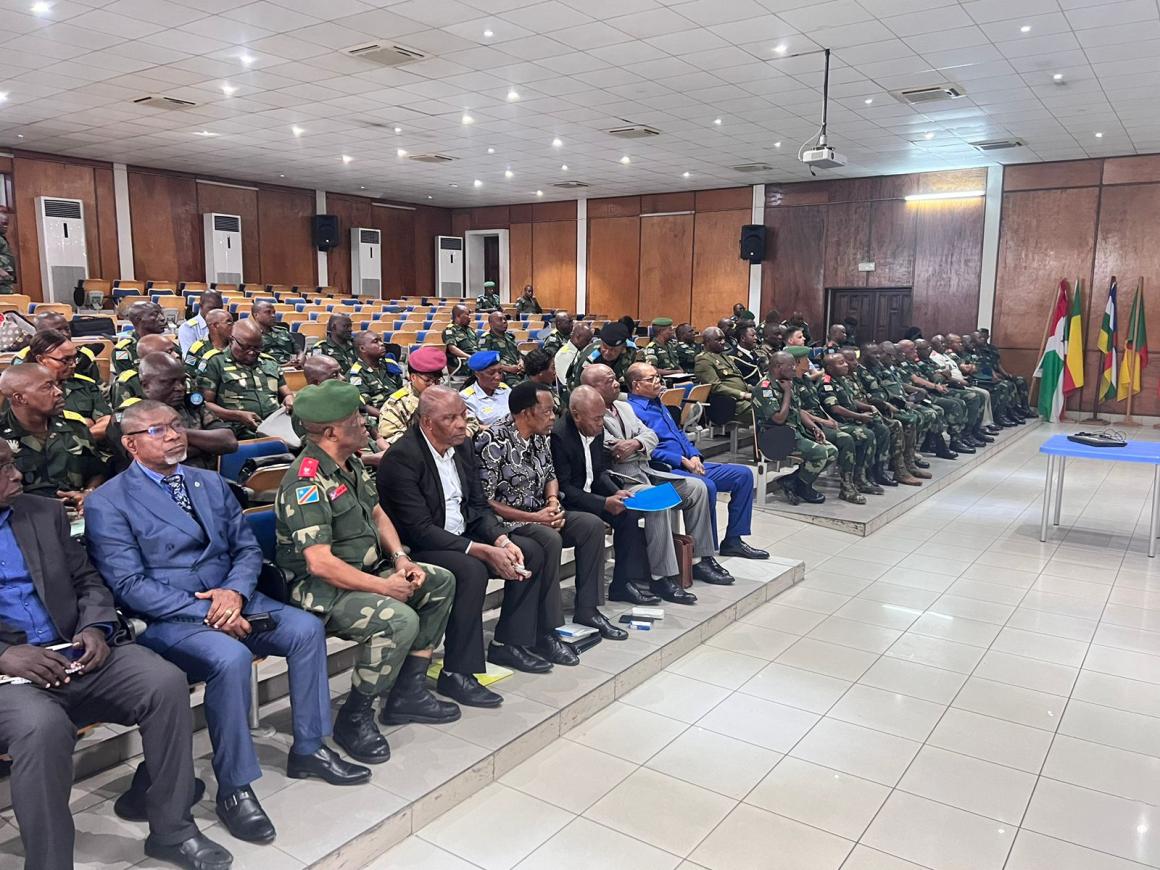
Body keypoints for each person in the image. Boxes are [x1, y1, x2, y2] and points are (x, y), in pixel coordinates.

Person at [86, 400, 369, 844]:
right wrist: (211, 611)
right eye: (158, 430)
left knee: (305, 630)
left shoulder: (209, 482)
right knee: (230, 658)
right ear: (131, 445)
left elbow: (246, 549)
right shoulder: (108, 501)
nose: (174, 434)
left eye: (176, 424)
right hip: (171, 616)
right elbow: (129, 584)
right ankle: (235, 787)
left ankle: (310, 747)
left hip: (235, 597)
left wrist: (234, 594)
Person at [0, 440, 233, 870]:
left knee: (164, 682)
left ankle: (173, 830)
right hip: (10, 676)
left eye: (13, 463)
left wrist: (96, 626)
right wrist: (5, 655)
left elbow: (87, 580)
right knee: (41, 726)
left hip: (74, 649)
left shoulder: (43, 512)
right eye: (3, 467)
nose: (17, 474)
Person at [275, 381, 460, 764]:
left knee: (439, 581)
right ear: (331, 432)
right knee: (398, 619)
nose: (365, 423)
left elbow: (377, 514)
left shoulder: (350, 463)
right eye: (355, 419)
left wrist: (401, 560)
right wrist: (384, 587)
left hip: (368, 570)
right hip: (322, 590)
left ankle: (407, 692)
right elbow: (319, 563)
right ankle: (355, 716)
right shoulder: (305, 482)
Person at [378, 386, 559, 705]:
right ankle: (457, 673)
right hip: (420, 545)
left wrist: (501, 539)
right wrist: (481, 549)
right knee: (471, 570)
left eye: (463, 415)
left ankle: (509, 643)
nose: (462, 424)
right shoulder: (403, 458)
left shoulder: (462, 447)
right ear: (427, 422)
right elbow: (419, 530)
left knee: (529, 551)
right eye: (451, 418)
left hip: (462, 534)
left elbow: (477, 507)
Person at [476, 381, 623, 647]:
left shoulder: (541, 436)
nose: (553, 417)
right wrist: (538, 518)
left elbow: (551, 476)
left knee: (590, 525)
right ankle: (548, 627)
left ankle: (588, 609)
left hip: (541, 511)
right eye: (546, 411)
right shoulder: (493, 440)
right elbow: (486, 501)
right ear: (525, 413)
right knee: (549, 538)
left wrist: (553, 502)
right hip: (508, 521)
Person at [582, 363, 729, 602]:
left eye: (615, 378)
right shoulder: (591, 415)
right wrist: (639, 445)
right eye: (609, 381)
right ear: (592, 387)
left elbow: (650, 435)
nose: (617, 383)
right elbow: (614, 450)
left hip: (646, 471)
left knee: (697, 488)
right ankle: (661, 577)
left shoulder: (624, 406)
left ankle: (700, 560)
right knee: (657, 500)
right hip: (622, 482)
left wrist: (637, 444)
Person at [626, 363, 768, 559]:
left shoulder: (658, 403)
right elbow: (646, 449)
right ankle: (706, 553)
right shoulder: (631, 411)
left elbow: (679, 434)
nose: (658, 381)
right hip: (666, 469)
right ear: (636, 385)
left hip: (689, 463)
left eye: (658, 377)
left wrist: (694, 455)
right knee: (706, 486)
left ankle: (734, 540)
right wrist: (681, 460)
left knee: (743, 475)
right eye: (651, 379)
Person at [550, 386, 658, 606]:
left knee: (628, 513)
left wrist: (614, 491)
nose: (601, 424)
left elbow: (599, 472)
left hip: (591, 495)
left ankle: (622, 584)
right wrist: (603, 503)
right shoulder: (559, 436)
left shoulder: (594, 430)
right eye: (597, 419)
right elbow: (565, 487)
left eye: (602, 417)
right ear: (577, 415)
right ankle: (587, 601)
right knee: (593, 525)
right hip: (569, 502)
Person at [0, 365, 107, 513]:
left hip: (77, 514)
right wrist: (44, 507)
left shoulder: (75, 427)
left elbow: (97, 471)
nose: (58, 392)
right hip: (18, 518)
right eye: (47, 387)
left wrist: (88, 493)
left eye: (56, 385)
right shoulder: (2, 434)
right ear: (20, 398)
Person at [107, 352, 237, 473]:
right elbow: (148, 457)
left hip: (203, 481)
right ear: (145, 386)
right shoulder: (128, 416)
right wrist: (207, 447)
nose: (180, 388)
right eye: (169, 382)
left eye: (182, 381)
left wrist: (177, 432)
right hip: (152, 486)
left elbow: (229, 442)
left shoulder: (191, 405)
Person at [754, 349, 837, 505]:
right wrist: (787, 393)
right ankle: (803, 487)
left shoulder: (787, 382)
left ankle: (793, 482)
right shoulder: (765, 389)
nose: (794, 368)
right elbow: (779, 419)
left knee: (832, 451)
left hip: (794, 432)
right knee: (820, 453)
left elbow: (797, 410)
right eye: (791, 366)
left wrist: (814, 427)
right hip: (775, 437)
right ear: (778, 366)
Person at [790, 350, 868, 504]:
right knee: (846, 438)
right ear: (798, 362)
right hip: (808, 426)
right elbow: (799, 411)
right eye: (805, 359)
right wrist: (823, 422)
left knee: (867, 432)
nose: (809, 362)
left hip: (820, 421)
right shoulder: (791, 383)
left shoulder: (806, 379)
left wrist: (829, 419)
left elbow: (817, 405)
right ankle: (847, 487)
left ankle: (862, 476)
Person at [198, 318, 293, 437]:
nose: (252, 352)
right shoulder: (215, 362)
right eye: (245, 347)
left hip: (275, 427)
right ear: (232, 340)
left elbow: (286, 393)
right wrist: (237, 416)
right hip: (236, 430)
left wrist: (289, 399)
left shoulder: (270, 362)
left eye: (257, 348)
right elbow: (205, 405)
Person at [844, 346, 925, 485]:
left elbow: (868, 394)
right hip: (857, 415)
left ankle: (899, 466)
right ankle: (874, 472)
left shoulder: (857, 374)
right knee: (889, 427)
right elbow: (848, 401)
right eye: (874, 353)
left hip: (874, 408)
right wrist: (881, 405)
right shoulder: (844, 377)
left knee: (898, 423)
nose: (854, 363)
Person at [819, 351, 896, 490]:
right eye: (841, 363)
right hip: (838, 423)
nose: (846, 365)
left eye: (845, 362)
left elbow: (850, 401)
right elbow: (835, 408)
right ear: (830, 368)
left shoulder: (842, 380)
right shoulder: (826, 383)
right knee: (867, 434)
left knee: (881, 429)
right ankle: (858, 478)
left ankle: (874, 472)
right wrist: (859, 416)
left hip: (851, 419)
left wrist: (868, 407)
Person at [27, 329, 111, 441]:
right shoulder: (24, 390)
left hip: (87, 449)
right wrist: (84, 425)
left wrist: (77, 440)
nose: (73, 364)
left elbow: (106, 422)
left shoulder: (86, 385)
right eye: (65, 360)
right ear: (41, 359)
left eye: (74, 358)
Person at [377, 345, 447, 449]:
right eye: (428, 381)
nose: (433, 385)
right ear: (413, 377)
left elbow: (467, 422)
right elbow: (392, 439)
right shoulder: (396, 404)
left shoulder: (446, 397)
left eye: (437, 381)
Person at [13, 313, 102, 381]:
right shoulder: (22, 359)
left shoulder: (84, 355)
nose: (65, 334)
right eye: (57, 330)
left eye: (67, 329)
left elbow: (97, 387)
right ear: (38, 333)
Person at [695, 327, 753, 425]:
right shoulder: (703, 360)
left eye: (723, 339)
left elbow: (737, 379)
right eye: (718, 339)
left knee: (771, 404)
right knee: (765, 412)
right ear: (707, 341)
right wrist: (742, 394)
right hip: (730, 403)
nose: (723, 342)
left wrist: (755, 390)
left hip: (743, 398)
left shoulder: (724, 357)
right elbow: (715, 387)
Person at [111, 332, 180, 408]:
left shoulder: (181, 376)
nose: (176, 355)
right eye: (169, 352)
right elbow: (124, 413)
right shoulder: (128, 382)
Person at [569, 322, 633, 393]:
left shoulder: (630, 352)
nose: (607, 352)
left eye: (613, 350)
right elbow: (578, 389)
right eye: (604, 347)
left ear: (623, 348)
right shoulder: (589, 359)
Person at [348, 331, 403, 414]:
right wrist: (387, 417)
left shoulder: (389, 364)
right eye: (375, 341)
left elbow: (401, 388)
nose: (382, 344)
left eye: (380, 340)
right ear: (362, 349)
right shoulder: (356, 374)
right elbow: (364, 406)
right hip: (380, 415)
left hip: (400, 409)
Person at [113, 301, 168, 376]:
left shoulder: (168, 346)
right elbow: (128, 379)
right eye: (155, 315)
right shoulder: (123, 350)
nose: (162, 318)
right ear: (138, 319)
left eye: (161, 314)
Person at [460, 350, 511, 426]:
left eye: (500, 372)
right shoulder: (466, 398)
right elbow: (472, 426)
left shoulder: (505, 389)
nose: (498, 377)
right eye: (491, 373)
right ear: (477, 374)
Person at [480, 310, 524, 385]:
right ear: (491, 323)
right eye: (500, 320)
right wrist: (508, 368)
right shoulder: (486, 338)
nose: (504, 322)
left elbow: (518, 353)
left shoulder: (509, 336)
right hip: (503, 373)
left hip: (518, 371)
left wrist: (521, 362)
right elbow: (485, 361)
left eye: (505, 319)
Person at [185, 309, 233, 375]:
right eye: (229, 323)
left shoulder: (237, 346)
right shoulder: (197, 349)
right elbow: (189, 374)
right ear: (215, 325)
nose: (233, 326)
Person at [177, 289, 224, 356]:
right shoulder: (188, 328)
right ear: (201, 306)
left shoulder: (225, 325)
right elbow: (190, 358)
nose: (216, 312)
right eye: (211, 308)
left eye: (220, 308)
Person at [252, 300, 298, 366]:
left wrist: (299, 361)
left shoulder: (283, 331)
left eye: (274, 312)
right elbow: (252, 362)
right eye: (268, 312)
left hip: (292, 368)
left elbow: (300, 352)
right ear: (256, 315)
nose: (273, 315)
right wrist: (284, 366)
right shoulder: (250, 335)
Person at [555, 321, 592, 392]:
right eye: (587, 340)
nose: (589, 343)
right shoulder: (563, 355)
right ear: (577, 337)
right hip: (573, 391)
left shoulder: (583, 349)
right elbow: (567, 382)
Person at [442, 303, 480, 374]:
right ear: (458, 316)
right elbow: (452, 349)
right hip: (461, 362)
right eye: (467, 315)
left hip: (475, 360)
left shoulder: (470, 330)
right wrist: (470, 357)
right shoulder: (450, 330)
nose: (470, 317)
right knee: (487, 369)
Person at [523, 347, 560, 415]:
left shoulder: (545, 384)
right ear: (540, 371)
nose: (555, 372)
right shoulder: (531, 397)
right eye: (553, 368)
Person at [731, 322, 769, 388]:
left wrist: (766, 389)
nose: (756, 338)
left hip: (760, 389)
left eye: (756, 335)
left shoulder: (755, 354)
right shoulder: (733, 357)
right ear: (743, 338)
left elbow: (764, 377)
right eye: (752, 335)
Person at [0, 206, 15, 294]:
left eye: (6, 224)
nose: (6, 227)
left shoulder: (2, 238)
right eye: (4, 224)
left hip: (5, 282)